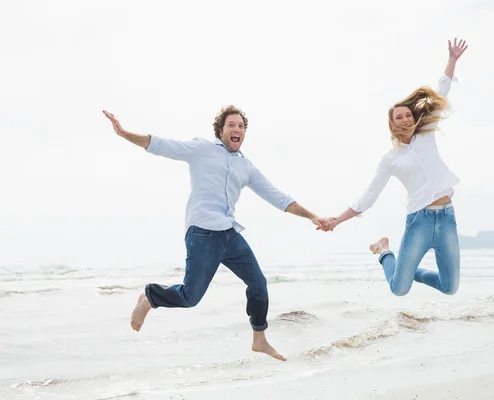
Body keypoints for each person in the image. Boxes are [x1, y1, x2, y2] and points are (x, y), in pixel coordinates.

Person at [102, 106, 330, 361]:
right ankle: (150, 297)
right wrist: (124, 133)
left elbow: (277, 197)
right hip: (202, 231)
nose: (237, 129)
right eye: (231, 125)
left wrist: (313, 216)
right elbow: (161, 145)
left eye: (241, 126)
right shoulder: (202, 149)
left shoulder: (246, 166)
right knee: (190, 298)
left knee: (258, 284)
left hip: (229, 234)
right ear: (221, 130)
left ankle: (259, 339)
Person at [321, 38, 468, 297]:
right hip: (419, 221)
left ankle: (406, 271)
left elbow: (441, 91)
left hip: (446, 218)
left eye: (408, 115)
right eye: (398, 117)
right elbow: (369, 196)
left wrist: (452, 60)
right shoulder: (390, 159)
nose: (404, 119)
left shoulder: (427, 134)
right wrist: (337, 220)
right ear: (392, 124)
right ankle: (384, 251)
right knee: (399, 289)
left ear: (413, 118)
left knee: (450, 287)